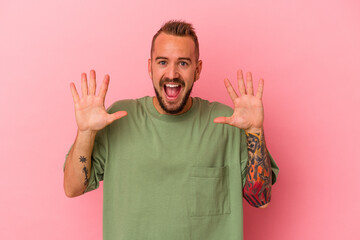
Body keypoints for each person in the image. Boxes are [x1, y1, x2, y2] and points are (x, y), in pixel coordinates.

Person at [64, 20, 279, 240]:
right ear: (150, 67)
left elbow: (260, 200)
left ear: (198, 69)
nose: (172, 74)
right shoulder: (119, 117)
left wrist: (254, 131)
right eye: (163, 62)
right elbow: (72, 188)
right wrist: (85, 133)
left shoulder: (226, 123)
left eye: (183, 63)